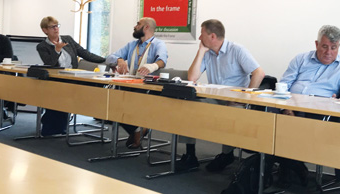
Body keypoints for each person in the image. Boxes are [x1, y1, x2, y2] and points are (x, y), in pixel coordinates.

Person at [176, 19, 265, 171]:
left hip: (235, 100)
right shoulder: (207, 53)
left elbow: (259, 73)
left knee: (229, 112)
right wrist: (201, 52)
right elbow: (192, 77)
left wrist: (247, 98)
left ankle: (227, 154)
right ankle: (190, 155)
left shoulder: (237, 50)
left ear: (212, 36)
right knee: (189, 107)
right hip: (216, 98)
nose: (199, 38)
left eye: (201, 34)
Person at [277, 25, 340, 186]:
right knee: (268, 119)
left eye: (334, 48)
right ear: (316, 44)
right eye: (325, 46)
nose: (329, 52)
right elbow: (284, 86)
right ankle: (287, 170)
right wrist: (287, 108)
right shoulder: (301, 59)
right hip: (291, 107)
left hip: (320, 112)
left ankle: (295, 170)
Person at [37, 16, 106, 136]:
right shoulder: (42, 46)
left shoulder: (67, 39)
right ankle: (52, 127)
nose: (56, 29)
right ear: (45, 30)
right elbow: (50, 64)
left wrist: (105, 60)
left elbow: (84, 53)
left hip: (73, 77)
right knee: (59, 97)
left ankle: (52, 124)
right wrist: (57, 50)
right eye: (52, 27)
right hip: (56, 79)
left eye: (57, 26)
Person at [106, 17, 168, 148]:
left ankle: (137, 131)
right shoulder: (132, 45)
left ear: (146, 27)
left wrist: (152, 66)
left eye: (138, 24)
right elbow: (110, 57)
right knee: (112, 104)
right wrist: (119, 60)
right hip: (129, 84)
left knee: (127, 105)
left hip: (147, 87)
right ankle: (138, 130)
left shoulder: (158, 44)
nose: (135, 26)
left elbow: (162, 61)